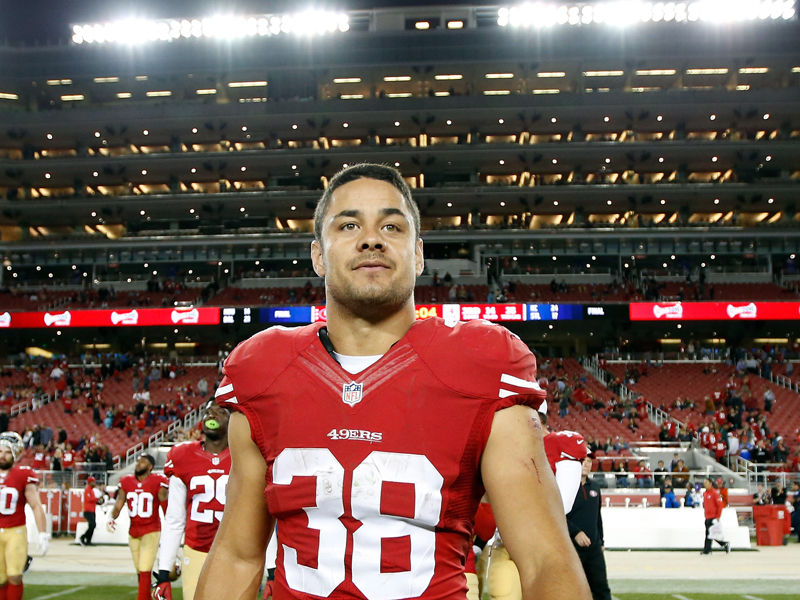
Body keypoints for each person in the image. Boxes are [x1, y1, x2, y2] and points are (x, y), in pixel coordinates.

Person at [197, 164, 591, 600]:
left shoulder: (483, 362)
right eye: (349, 225)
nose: (371, 239)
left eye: (391, 226)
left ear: (418, 255)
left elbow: (544, 559)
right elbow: (237, 555)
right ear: (318, 256)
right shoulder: (262, 367)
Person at [153, 403, 231, 600]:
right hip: (196, 550)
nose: (212, 415)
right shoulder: (183, 456)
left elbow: (257, 517)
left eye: (220, 412)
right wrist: (164, 573)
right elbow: (174, 519)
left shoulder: (244, 456)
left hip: (234, 552)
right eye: (208, 412)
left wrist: (271, 571)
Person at [108, 454, 168, 600]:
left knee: (145, 569)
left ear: (150, 467)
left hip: (151, 530)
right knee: (140, 572)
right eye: (139, 461)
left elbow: (166, 507)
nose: (139, 463)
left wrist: (172, 529)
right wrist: (111, 517)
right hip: (133, 532)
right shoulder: (126, 481)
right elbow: (120, 503)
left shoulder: (158, 481)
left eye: (143, 462)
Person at [0, 432, 49, 600]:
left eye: (7, 452)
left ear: (15, 453)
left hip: (15, 531)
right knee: (1, 580)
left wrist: (43, 533)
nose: (2, 456)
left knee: (14, 575)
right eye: (0, 451)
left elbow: (36, 505)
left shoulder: (22, 474)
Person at [566, 456, 612, 600]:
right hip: (571, 549)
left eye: (589, 462)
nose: (586, 464)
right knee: (573, 590)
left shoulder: (595, 487)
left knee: (602, 589)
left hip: (594, 549)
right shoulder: (565, 487)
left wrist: (601, 542)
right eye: (583, 461)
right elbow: (557, 515)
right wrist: (575, 533)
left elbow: (597, 516)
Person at [701, 478, 730, 555]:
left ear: (710, 483)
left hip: (713, 517)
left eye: (706, 483)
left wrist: (718, 516)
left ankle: (707, 550)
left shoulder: (714, 493)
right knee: (711, 534)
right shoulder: (705, 493)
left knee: (709, 534)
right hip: (707, 516)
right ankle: (724, 544)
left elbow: (719, 505)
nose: (705, 484)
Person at [80, 476, 103, 546]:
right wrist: (97, 499)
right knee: (92, 524)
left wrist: (98, 502)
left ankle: (88, 540)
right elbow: (88, 499)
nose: (95, 483)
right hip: (88, 510)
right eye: (93, 482)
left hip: (92, 510)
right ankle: (83, 537)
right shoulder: (87, 490)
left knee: (92, 525)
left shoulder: (92, 491)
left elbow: (92, 500)